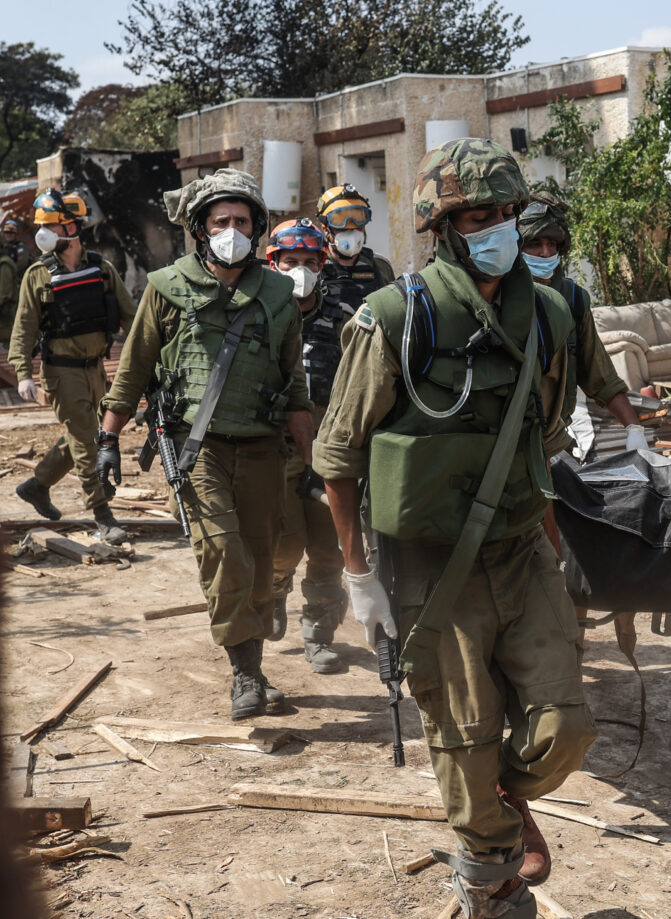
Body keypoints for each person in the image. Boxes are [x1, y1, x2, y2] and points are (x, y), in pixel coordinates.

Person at [316, 139, 597, 919]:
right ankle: (490, 879)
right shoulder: (394, 318)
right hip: (429, 566)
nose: (501, 230)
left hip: (519, 546)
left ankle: (498, 803)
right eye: (481, 216)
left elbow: (540, 439)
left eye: (508, 212)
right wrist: (357, 573)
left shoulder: (546, 313)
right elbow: (338, 454)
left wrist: (555, 540)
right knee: (465, 733)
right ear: (445, 227)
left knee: (566, 726)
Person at [96, 168, 314, 721]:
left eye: (243, 221)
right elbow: (132, 371)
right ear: (201, 228)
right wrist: (107, 440)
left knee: (261, 565)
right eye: (222, 221)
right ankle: (244, 673)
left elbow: (295, 387)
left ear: (258, 228)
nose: (233, 230)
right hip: (195, 451)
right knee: (224, 553)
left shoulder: (280, 294)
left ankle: (254, 668)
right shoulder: (166, 288)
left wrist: (311, 458)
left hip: (264, 448)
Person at [9, 189, 135, 543]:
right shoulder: (37, 275)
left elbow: (133, 318)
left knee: (83, 435)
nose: (43, 233)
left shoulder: (102, 268)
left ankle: (37, 485)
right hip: (61, 372)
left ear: (71, 228)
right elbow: (23, 329)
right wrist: (23, 373)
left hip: (98, 369)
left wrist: (150, 355)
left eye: (51, 225)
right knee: (87, 442)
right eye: (41, 225)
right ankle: (102, 514)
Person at [264, 218, 350, 673]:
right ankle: (276, 587)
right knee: (286, 540)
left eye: (308, 262)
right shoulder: (256, 318)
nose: (300, 270)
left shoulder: (342, 320)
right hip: (277, 448)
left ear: (322, 264)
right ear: (272, 264)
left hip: (330, 445)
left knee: (328, 548)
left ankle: (318, 633)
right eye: (290, 262)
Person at [515, 191, 645, 450]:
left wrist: (634, 428)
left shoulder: (573, 300)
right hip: (510, 440)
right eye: (534, 244)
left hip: (553, 439)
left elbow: (599, 374)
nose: (544, 252)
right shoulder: (500, 299)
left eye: (552, 244)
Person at [315, 184, 395, 313]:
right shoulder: (314, 267)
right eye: (341, 224)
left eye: (358, 222)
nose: (351, 230)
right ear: (325, 229)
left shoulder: (380, 266)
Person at [1, 216, 34, 344]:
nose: (9, 235)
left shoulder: (20, 248)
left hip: (19, 285)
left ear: (16, 234)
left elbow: (21, 265)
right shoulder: (4, 249)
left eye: (11, 233)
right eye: (7, 233)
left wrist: (7, 268)